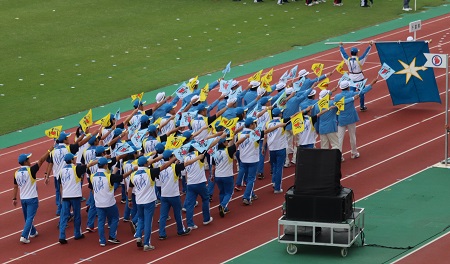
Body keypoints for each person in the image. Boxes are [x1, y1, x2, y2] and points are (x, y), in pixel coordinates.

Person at [128, 155, 176, 251]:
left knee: (141, 219)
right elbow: (164, 166)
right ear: (146, 164)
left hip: (139, 201)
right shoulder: (150, 172)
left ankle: (138, 236)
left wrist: (129, 200)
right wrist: (174, 158)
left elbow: (130, 189)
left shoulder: (133, 175)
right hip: (149, 201)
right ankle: (147, 244)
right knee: (148, 222)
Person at [157, 150, 204, 239]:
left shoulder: (160, 168)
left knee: (163, 215)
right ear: (171, 157)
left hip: (164, 194)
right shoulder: (175, 167)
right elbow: (187, 163)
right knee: (178, 213)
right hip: (174, 195)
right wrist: (198, 158)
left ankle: (161, 233)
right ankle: (180, 230)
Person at [45, 130, 93, 216]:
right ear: (64, 140)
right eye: (67, 138)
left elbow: (50, 163)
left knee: (60, 193)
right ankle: (65, 213)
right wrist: (92, 135)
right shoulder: (68, 148)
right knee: (68, 194)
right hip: (68, 174)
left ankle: (60, 210)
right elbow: (80, 143)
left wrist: (47, 175)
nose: (68, 139)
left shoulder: (53, 151)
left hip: (57, 175)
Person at [90, 157, 135, 247]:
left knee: (101, 222)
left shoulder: (92, 176)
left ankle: (102, 240)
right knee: (115, 218)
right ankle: (112, 236)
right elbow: (122, 177)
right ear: (105, 165)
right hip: (109, 202)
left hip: (98, 203)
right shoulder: (109, 176)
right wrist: (132, 170)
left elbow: (92, 190)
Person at [13, 148, 52, 244]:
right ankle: (24, 236)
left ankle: (33, 232)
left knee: (27, 218)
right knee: (30, 218)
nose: (30, 161)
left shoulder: (16, 173)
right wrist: (49, 150)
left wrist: (14, 198)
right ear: (25, 162)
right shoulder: (31, 170)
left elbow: (15, 187)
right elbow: (41, 160)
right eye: (28, 159)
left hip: (23, 199)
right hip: (32, 198)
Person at [334, 79, 378, 160]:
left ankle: (339, 156)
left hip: (341, 119)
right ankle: (354, 153)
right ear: (348, 87)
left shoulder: (337, 97)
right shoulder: (351, 94)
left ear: (341, 88)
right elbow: (362, 91)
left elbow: (336, 107)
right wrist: (372, 83)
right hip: (351, 118)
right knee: (352, 136)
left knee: (339, 139)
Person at [211, 134, 248, 217]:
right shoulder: (228, 150)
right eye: (226, 141)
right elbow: (238, 143)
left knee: (222, 192)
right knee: (229, 193)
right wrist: (246, 136)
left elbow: (213, 167)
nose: (227, 142)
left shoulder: (214, 153)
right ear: (223, 143)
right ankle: (223, 205)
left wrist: (212, 176)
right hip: (227, 175)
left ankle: (225, 208)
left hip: (218, 176)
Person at [58, 153, 88, 244]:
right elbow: (88, 165)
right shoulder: (76, 168)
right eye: (74, 159)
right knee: (77, 215)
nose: (75, 160)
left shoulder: (61, 171)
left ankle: (62, 236)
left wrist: (62, 196)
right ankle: (77, 234)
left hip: (65, 196)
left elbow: (60, 186)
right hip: (75, 195)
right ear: (71, 160)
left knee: (64, 216)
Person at [339, 41, 373, 111]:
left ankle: (350, 107)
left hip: (351, 78)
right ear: (357, 53)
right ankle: (362, 106)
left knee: (351, 94)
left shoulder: (347, 60)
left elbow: (343, 54)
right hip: (360, 78)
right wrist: (370, 45)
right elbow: (365, 54)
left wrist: (341, 46)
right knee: (362, 93)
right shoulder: (359, 60)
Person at [263, 108, 289, 194]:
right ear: (280, 115)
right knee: (279, 168)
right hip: (281, 148)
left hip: (271, 149)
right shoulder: (282, 122)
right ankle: (277, 188)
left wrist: (263, 147)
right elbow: (293, 117)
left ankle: (274, 182)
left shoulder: (267, 123)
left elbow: (265, 136)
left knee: (274, 166)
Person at [238, 117, 263, 205]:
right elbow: (264, 133)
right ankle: (246, 197)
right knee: (251, 179)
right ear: (251, 125)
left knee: (247, 179)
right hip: (252, 159)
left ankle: (251, 194)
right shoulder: (255, 134)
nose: (255, 125)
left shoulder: (240, 134)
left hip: (243, 159)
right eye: (254, 123)